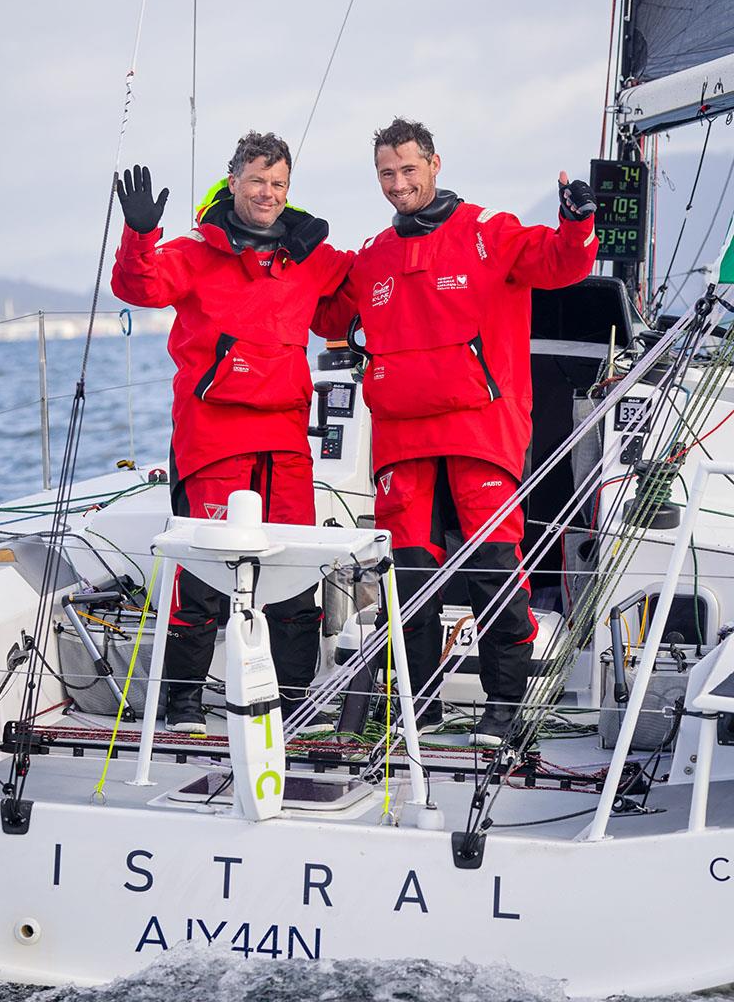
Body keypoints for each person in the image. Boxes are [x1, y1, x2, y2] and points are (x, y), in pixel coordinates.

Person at [315, 118, 598, 744]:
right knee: (409, 574)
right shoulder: (372, 256)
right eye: (387, 173)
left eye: (408, 170)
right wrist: (290, 248)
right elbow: (324, 313)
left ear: (435, 165)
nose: (398, 184)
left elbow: (562, 264)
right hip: (401, 435)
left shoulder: (488, 231)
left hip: (480, 425)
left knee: (495, 565)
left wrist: (578, 221)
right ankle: (420, 707)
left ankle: (504, 706)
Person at [111, 132, 353, 733]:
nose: (267, 193)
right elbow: (137, 287)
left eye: (278, 184)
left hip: (286, 439)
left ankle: (297, 704)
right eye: (257, 181)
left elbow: (361, 288)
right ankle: (184, 703)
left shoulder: (309, 257)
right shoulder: (195, 252)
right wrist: (140, 233)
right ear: (234, 181)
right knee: (202, 575)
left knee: (295, 572)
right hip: (213, 436)